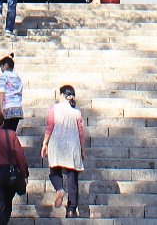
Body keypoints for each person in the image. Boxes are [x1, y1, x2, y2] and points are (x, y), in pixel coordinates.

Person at [42, 84, 89, 218]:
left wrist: (45, 143)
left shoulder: (54, 108)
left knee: (54, 171)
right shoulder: (76, 112)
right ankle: (71, 209)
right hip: (72, 146)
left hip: (57, 145)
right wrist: (83, 149)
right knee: (72, 178)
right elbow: (81, 132)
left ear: (62, 95)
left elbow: (50, 126)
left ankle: (60, 189)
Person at [0, 53, 25, 130]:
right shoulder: (18, 78)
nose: (1, 69)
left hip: (8, 107)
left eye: (1, 67)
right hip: (17, 108)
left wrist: (1, 107)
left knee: (5, 132)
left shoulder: (4, 76)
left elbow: (2, 91)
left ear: (5, 65)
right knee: (12, 132)